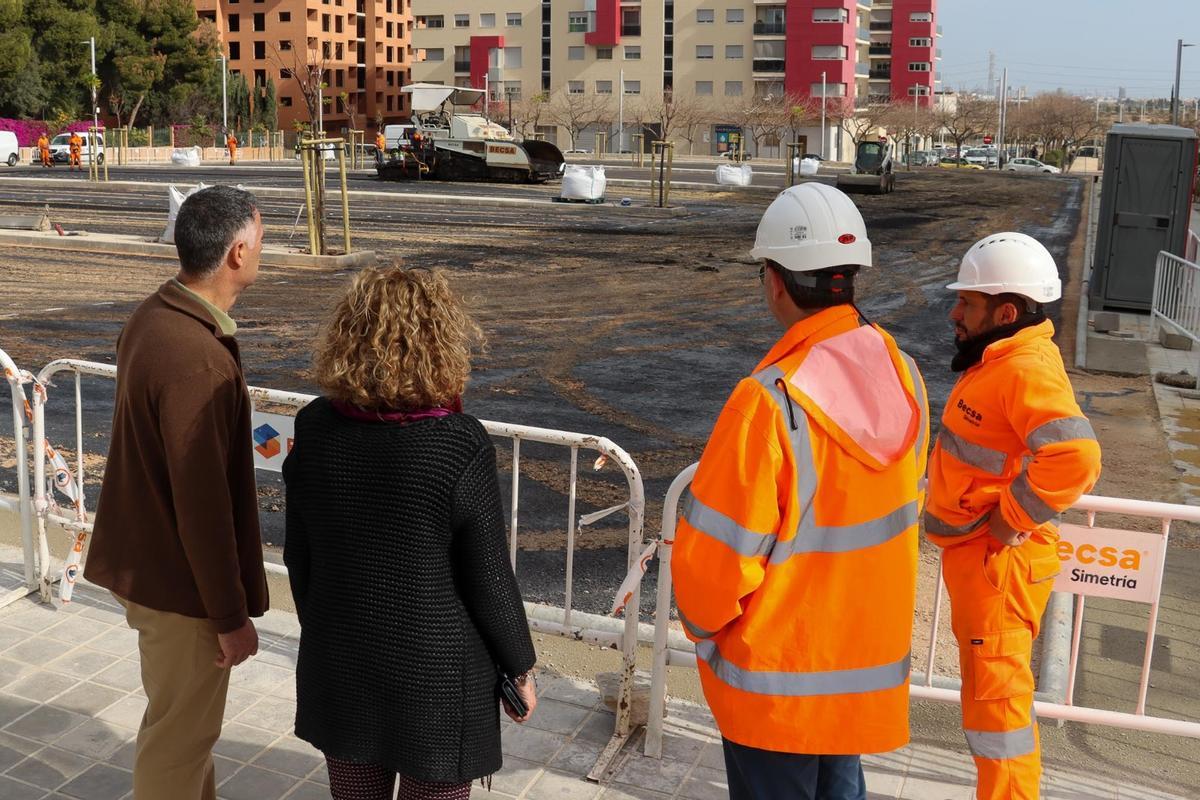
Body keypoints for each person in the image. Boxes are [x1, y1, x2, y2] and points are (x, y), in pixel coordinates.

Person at [671, 183, 929, 800]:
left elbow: (714, 568)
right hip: (855, 678)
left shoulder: (768, 402)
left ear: (776, 281)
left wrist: (705, 631)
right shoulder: (901, 371)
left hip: (778, 687)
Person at [283, 265, 538, 800]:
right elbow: (487, 577)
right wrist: (519, 666)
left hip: (342, 663)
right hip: (437, 680)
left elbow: (299, 553)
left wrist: (328, 627)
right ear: (443, 343)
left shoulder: (314, 427)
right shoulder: (455, 444)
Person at [85, 185, 268, 800]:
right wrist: (230, 616)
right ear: (237, 252)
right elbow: (202, 504)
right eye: (262, 239)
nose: (264, 250)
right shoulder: (197, 356)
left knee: (186, 735)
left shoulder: (156, 315)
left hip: (151, 570)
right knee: (176, 743)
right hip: (181, 588)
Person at [925, 232, 1102, 800]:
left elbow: (1077, 456)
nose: (954, 312)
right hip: (985, 565)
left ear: (1005, 311)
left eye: (966, 303)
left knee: (999, 714)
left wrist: (1010, 520)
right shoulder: (1001, 359)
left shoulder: (1023, 368)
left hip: (999, 566)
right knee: (990, 706)